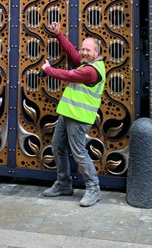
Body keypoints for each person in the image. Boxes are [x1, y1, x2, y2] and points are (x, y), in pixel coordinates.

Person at [41, 21, 106, 207]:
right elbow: (73, 53)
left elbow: (69, 75)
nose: (83, 53)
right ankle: (63, 184)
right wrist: (59, 34)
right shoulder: (86, 62)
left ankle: (94, 189)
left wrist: (48, 70)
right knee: (57, 147)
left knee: (79, 153)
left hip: (80, 118)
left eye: (88, 50)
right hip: (67, 114)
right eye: (83, 49)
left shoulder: (92, 71)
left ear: (97, 53)